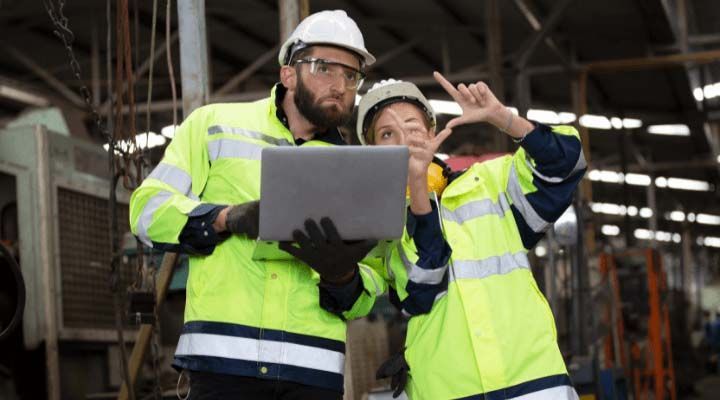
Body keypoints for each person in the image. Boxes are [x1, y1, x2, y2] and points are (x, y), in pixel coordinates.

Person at [129, 10, 386, 400]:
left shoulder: (358, 169)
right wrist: (224, 219)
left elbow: (370, 285)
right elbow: (146, 211)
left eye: (351, 75)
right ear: (288, 73)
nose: (340, 85)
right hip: (222, 362)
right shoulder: (214, 125)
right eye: (324, 68)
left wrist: (343, 278)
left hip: (312, 370)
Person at [357, 75, 585, 400]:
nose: (404, 139)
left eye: (412, 125)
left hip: (535, 384)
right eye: (387, 134)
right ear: (372, 152)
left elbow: (566, 164)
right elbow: (422, 287)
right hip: (449, 391)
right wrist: (417, 186)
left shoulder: (493, 183)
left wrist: (503, 119)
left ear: (433, 132)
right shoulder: (383, 228)